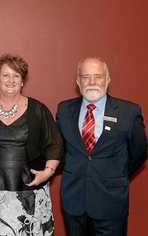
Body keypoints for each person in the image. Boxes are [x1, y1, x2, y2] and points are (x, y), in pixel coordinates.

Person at [0, 53, 63, 235]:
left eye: (16, 76)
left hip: (29, 195)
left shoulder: (38, 110)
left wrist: (48, 172)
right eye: (6, 75)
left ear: (22, 81)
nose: (11, 80)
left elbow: (55, 144)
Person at [56, 57, 147, 236]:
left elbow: (140, 152)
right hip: (73, 202)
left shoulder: (129, 112)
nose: (92, 82)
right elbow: (58, 149)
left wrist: (115, 173)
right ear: (77, 81)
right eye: (86, 77)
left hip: (111, 203)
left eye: (98, 77)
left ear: (108, 79)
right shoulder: (64, 110)